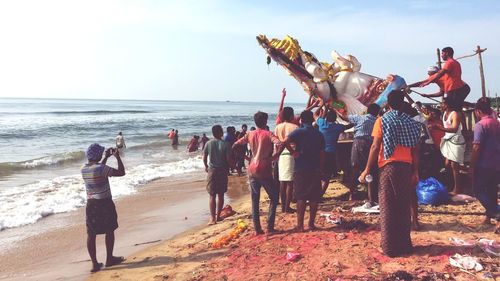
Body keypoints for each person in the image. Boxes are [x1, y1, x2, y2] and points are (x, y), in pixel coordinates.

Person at [360, 90, 420, 257]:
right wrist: (415, 171)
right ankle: (405, 245)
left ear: (388, 103)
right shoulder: (412, 122)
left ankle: (389, 247)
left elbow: (375, 146)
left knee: (388, 207)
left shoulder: (382, 120)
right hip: (406, 167)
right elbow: (415, 150)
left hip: (388, 166)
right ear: (402, 103)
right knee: (403, 206)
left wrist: (366, 169)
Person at [233, 111, 290, 235]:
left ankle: (257, 228)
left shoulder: (249, 134)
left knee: (255, 199)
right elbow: (279, 143)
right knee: (274, 197)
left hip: (252, 167)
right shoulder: (268, 134)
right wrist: (275, 156)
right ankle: (269, 226)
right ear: (265, 121)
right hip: (264, 168)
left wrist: (247, 158)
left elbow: (235, 145)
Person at [81, 143, 126, 272]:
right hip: (105, 203)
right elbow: (121, 172)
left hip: (91, 204)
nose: (102, 154)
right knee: (109, 229)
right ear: (97, 155)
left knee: (91, 233)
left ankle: (95, 264)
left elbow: (99, 168)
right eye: (101, 153)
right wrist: (117, 157)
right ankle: (109, 258)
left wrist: (105, 158)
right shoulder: (102, 168)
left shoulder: (83, 168)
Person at [282, 110, 325, 232]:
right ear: (312, 120)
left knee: (301, 196)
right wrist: (320, 167)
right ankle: (311, 224)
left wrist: (293, 152)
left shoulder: (299, 132)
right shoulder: (319, 134)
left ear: (301, 120)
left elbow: (285, 142)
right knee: (313, 197)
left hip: (301, 167)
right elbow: (322, 153)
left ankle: (300, 225)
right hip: (315, 167)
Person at [338, 103, 380, 205]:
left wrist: (338, 109)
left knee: (354, 168)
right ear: (377, 112)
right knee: (369, 169)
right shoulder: (378, 121)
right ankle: (370, 197)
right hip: (371, 144)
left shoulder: (359, 118)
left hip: (358, 143)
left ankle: (351, 194)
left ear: (367, 111)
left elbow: (344, 117)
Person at [470, 97, 500, 225]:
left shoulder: (480, 125)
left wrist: (472, 165)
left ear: (478, 111)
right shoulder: (496, 123)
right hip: (496, 162)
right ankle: (489, 217)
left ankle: (496, 213)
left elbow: (476, 147)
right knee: (492, 190)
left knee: (478, 190)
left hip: (484, 163)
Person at [429, 97, 465, 195]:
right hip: (448, 140)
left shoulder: (455, 114)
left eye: (443, 103)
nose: (441, 105)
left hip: (456, 141)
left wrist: (438, 127)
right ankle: (452, 185)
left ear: (447, 104)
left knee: (454, 165)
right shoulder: (445, 114)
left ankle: (457, 188)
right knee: (447, 165)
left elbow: (454, 129)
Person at [314, 104, 351, 197]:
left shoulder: (322, 123)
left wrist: (323, 105)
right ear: (335, 119)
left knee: (318, 174)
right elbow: (349, 126)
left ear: (326, 117)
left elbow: (315, 114)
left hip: (320, 153)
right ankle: (320, 195)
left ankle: (315, 194)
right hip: (331, 153)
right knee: (327, 176)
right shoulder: (338, 127)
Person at [203, 125, 233, 225]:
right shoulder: (226, 144)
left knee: (212, 195)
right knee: (221, 194)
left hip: (212, 170)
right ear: (221, 133)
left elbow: (204, 157)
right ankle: (218, 215)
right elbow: (228, 159)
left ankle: (212, 218)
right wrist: (231, 166)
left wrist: (206, 166)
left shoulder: (208, 143)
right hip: (222, 170)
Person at [274, 106, 298, 213]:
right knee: (290, 183)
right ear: (291, 115)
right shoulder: (295, 127)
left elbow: (276, 142)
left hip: (281, 154)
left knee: (282, 181)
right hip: (290, 153)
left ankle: (283, 206)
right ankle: (287, 207)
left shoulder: (278, 127)